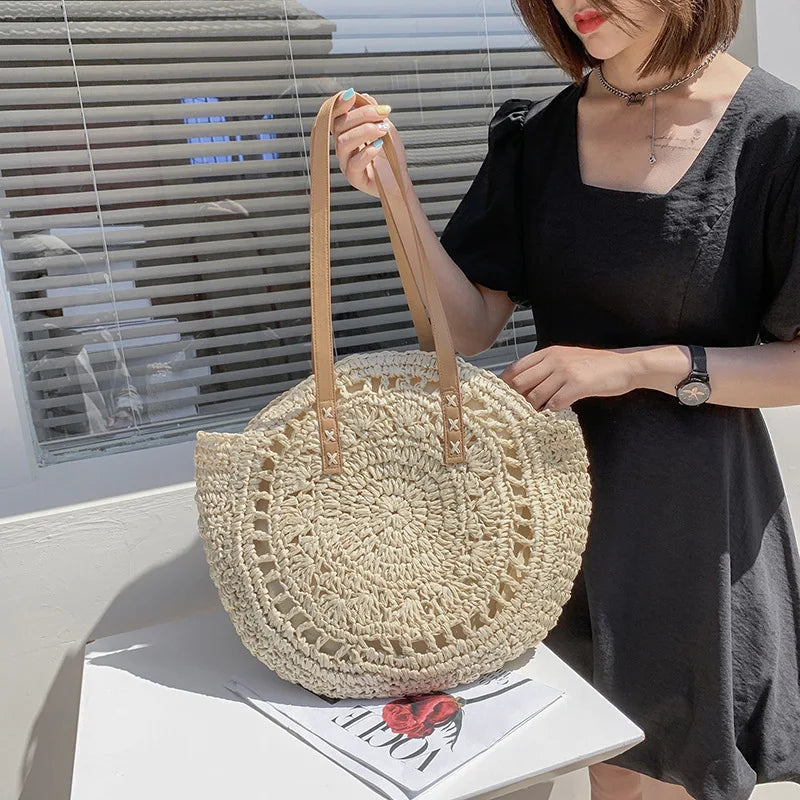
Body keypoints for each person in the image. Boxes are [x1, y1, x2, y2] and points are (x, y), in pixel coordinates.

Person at [331, 1, 800, 798]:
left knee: (681, 767)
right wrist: (395, 195)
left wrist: (634, 367)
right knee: (606, 769)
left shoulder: (774, 132)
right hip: (552, 514)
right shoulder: (540, 136)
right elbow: (466, 328)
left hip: (692, 522)